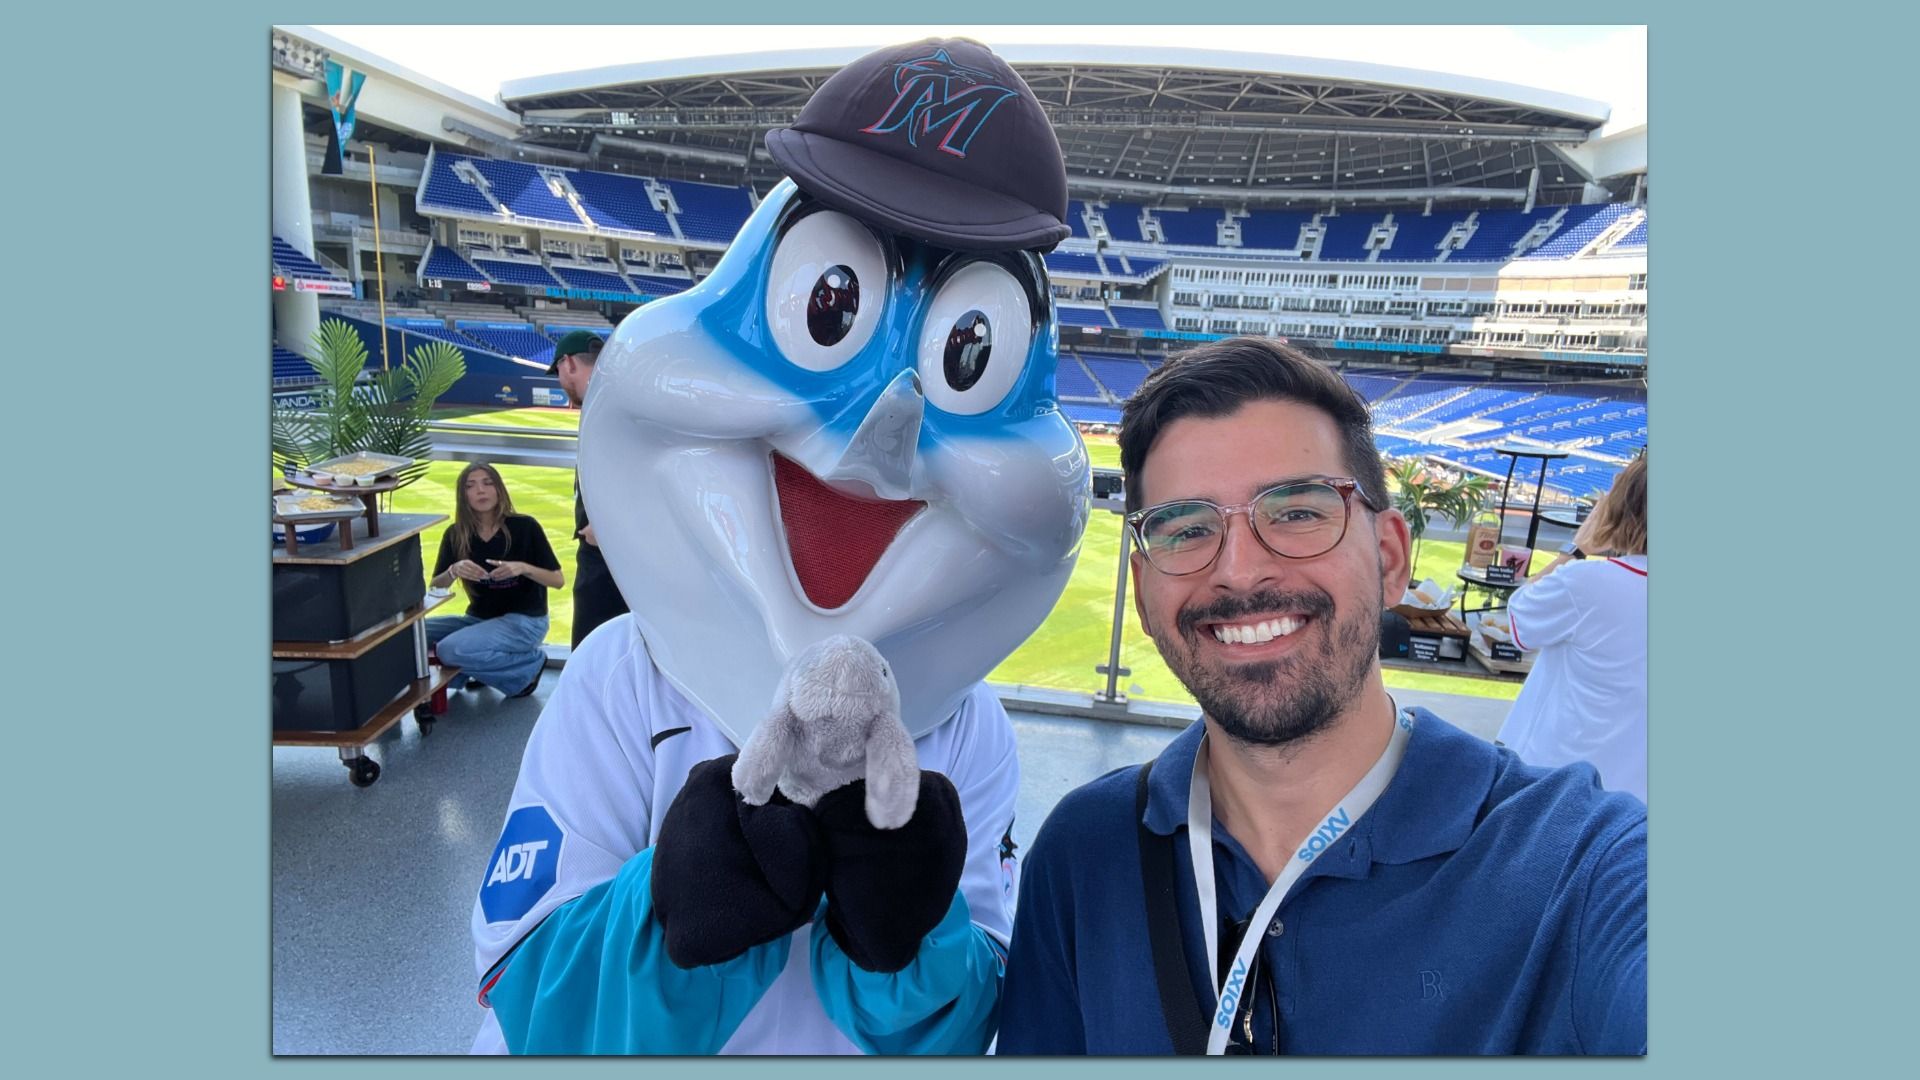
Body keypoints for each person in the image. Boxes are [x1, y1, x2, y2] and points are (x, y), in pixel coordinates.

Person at [467, 38, 1089, 1055]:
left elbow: (969, 1013)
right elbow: (519, 985)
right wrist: (673, 915)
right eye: (828, 304)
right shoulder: (622, 682)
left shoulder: (967, 732)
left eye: (967, 355)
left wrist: (908, 937)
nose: (880, 434)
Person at [999, 337, 1646, 1055]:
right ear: (1145, 599)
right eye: (1185, 528)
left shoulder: (1582, 869)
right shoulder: (1083, 855)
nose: (1240, 573)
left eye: (1299, 512)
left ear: (1390, 559)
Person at [1497, 453, 1649, 803]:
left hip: (1552, 784)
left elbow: (1518, 620)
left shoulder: (1585, 583)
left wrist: (1576, 548)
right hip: (1633, 803)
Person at [426, 462, 564, 699]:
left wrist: (522, 568)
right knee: (410, 633)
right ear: (463, 495)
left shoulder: (525, 526)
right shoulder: (455, 534)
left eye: (487, 483)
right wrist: (453, 570)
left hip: (526, 621)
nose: (480, 490)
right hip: (478, 619)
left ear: (499, 490)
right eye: (471, 486)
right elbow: (436, 587)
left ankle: (529, 665)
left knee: (449, 650)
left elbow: (557, 580)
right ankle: (480, 671)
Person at [546, 329, 630, 651]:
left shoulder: (607, 402)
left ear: (567, 363)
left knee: (592, 653)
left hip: (607, 553)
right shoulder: (611, 397)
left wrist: (607, 527)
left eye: (558, 372)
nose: (560, 381)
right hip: (610, 549)